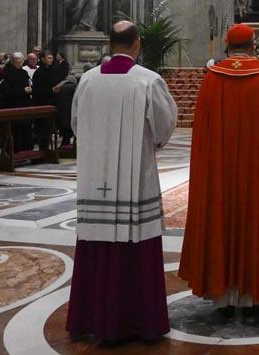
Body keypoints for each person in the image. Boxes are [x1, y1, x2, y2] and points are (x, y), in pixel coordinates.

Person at [179, 23, 259, 315]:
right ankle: (256, 295)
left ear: (227, 44)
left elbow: (203, 133)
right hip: (257, 170)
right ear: (253, 45)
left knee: (221, 214)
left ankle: (221, 293)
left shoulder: (212, 78)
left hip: (219, 171)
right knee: (256, 216)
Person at [67, 21, 177, 343]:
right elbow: (163, 127)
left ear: (109, 43)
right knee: (135, 246)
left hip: (92, 176)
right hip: (136, 179)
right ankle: (139, 322)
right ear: (137, 44)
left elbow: (76, 124)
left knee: (95, 243)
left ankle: (91, 319)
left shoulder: (86, 81)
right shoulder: (148, 81)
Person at [0, 52, 35, 151]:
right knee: (13, 131)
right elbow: (5, 91)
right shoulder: (6, 73)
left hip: (24, 105)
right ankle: (13, 152)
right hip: (11, 106)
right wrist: (23, 91)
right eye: (17, 62)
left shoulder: (23, 73)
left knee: (25, 130)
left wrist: (30, 89)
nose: (19, 64)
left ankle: (26, 151)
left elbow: (29, 84)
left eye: (21, 62)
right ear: (12, 62)